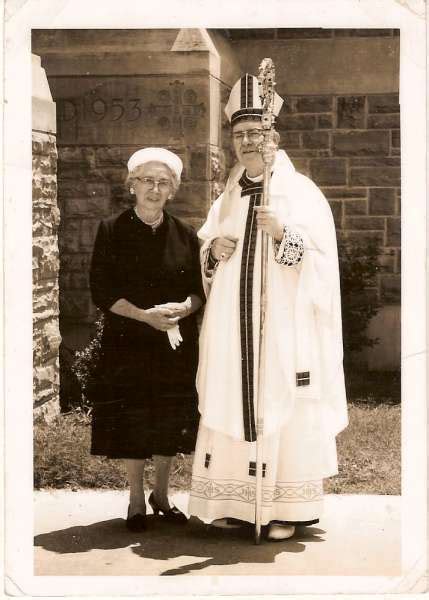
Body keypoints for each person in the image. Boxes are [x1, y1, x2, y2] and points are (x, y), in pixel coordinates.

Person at [188, 74, 348, 541]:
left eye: (255, 134)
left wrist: (283, 233)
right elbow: (207, 252)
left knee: (283, 399)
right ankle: (231, 503)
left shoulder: (301, 193)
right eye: (238, 136)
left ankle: (287, 510)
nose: (246, 143)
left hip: (284, 326)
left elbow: (321, 264)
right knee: (232, 395)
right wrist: (212, 250)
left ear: (273, 137)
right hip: (234, 329)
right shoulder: (228, 195)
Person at [89, 147, 204, 532]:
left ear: (172, 190)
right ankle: (137, 499)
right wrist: (144, 316)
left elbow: (199, 290)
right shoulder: (111, 231)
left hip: (173, 346)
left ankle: (162, 495)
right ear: (131, 185)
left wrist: (184, 309)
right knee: (134, 417)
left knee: (169, 419)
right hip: (129, 343)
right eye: (147, 181)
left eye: (163, 182)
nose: (155, 189)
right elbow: (102, 291)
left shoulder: (186, 234)